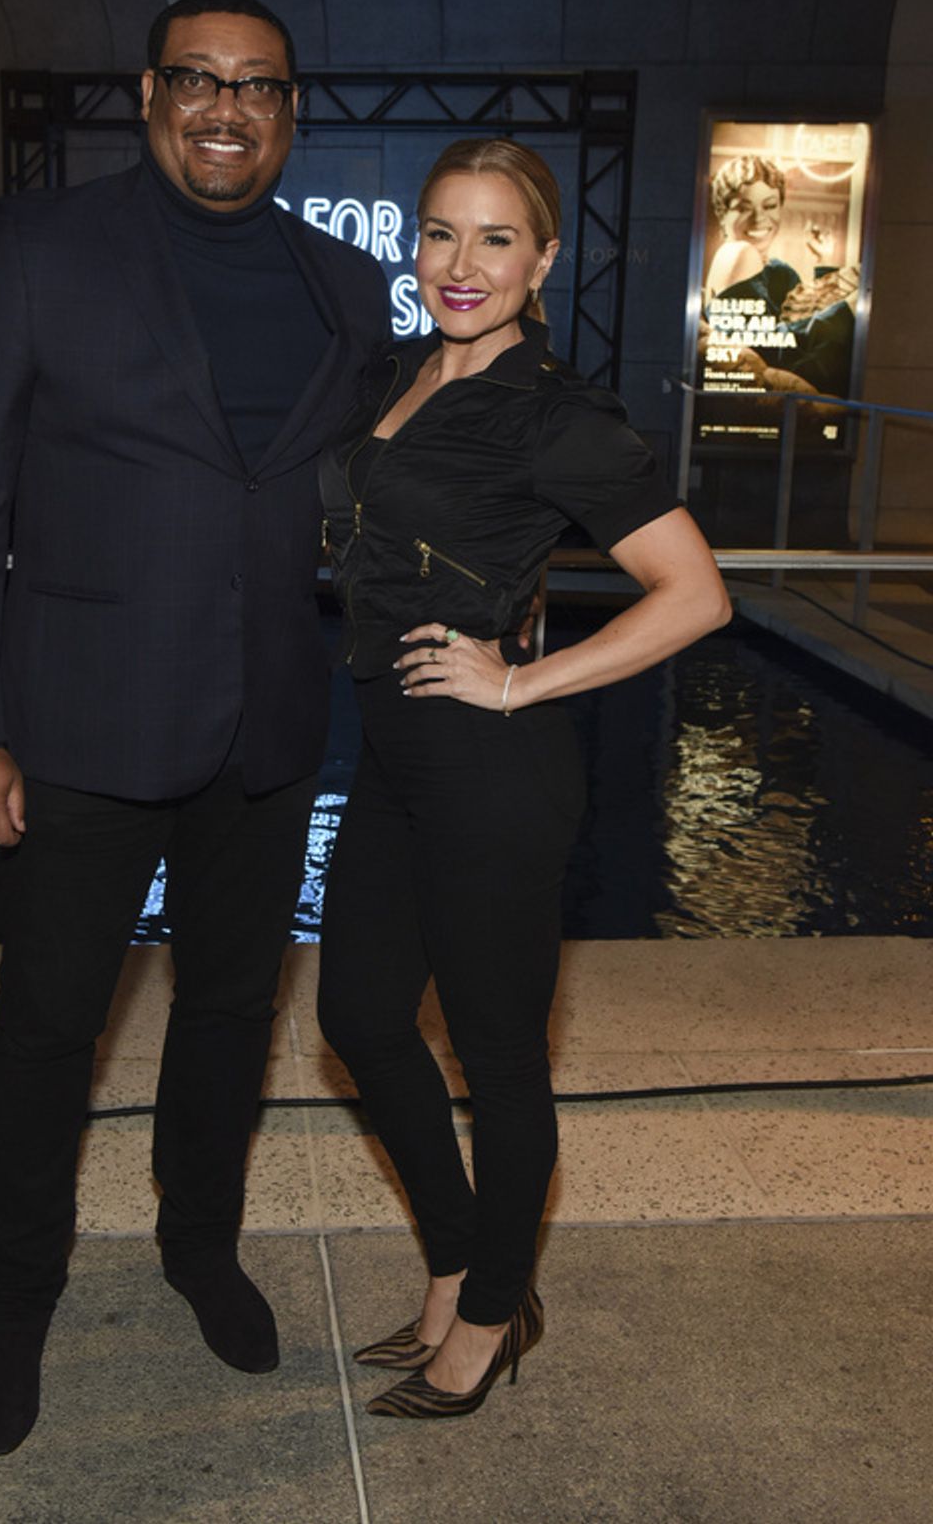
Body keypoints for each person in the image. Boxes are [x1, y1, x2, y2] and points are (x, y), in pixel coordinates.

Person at [0, 0, 389, 1456]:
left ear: (290, 113)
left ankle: (199, 1249)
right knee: (47, 1028)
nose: (225, 108)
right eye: (198, 79)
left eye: (256, 86)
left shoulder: (339, 287)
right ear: (148, 93)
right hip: (74, 735)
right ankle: (14, 1297)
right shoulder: (37, 251)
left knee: (234, 1015)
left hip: (263, 733)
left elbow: (359, 491)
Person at [317, 138, 730, 1420]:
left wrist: (516, 679)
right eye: (442, 232)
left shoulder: (559, 412)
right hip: (392, 752)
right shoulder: (393, 370)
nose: (462, 263)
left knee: (499, 1064)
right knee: (360, 1020)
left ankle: (490, 1314)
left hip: (492, 771)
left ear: (544, 259)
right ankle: (457, 1258)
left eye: (496, 239)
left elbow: (697, 596)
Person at [701, 153, 858, 396]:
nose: (759, 218)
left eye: (770, 205)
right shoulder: (739, 253)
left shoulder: (773, 268)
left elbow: (798, 324)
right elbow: (769, 353)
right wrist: (847, 311)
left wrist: (824, 261)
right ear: (722, 214)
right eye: (743, 208)